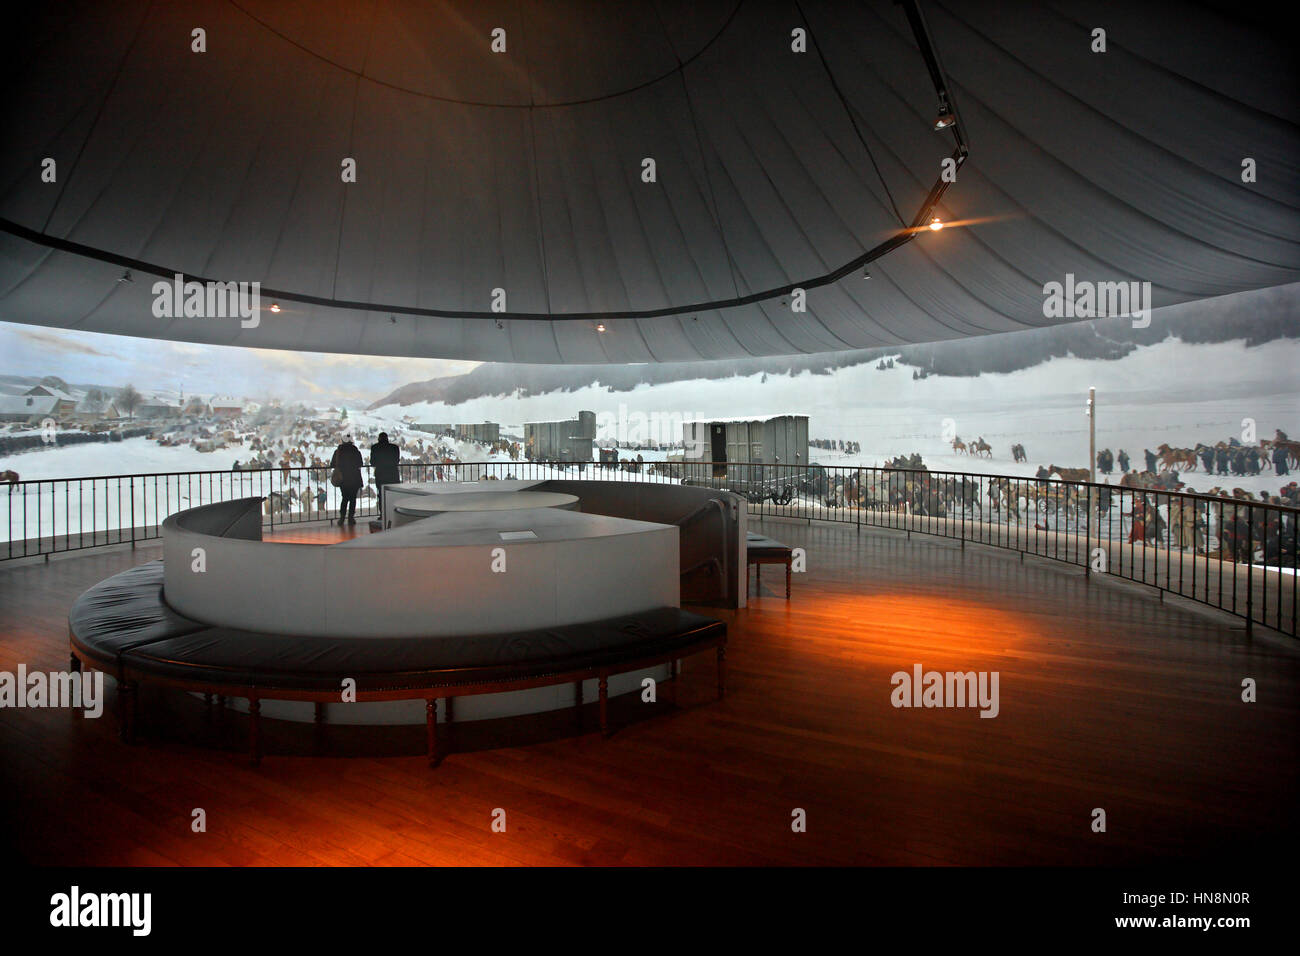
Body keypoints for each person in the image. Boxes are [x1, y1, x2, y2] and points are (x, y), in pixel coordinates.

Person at [329, 435, 364, 525]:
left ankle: (342, 518)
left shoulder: (338, 452)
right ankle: (351, 518)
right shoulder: (356, 451)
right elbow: (360, 463)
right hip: (354, 478)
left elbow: (332, 464)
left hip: (343, 479)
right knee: (353, 499)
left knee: (344, 498)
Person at [369, 432, 401, 522]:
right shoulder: (395, 448)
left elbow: (372, 462)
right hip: (393, 474)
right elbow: (397, 460)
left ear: (379, 439)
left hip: (381, 474)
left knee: (381, 495)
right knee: (393, 494)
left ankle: (383, 514)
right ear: (387, 438)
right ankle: (393, 513)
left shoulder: (375, 448)